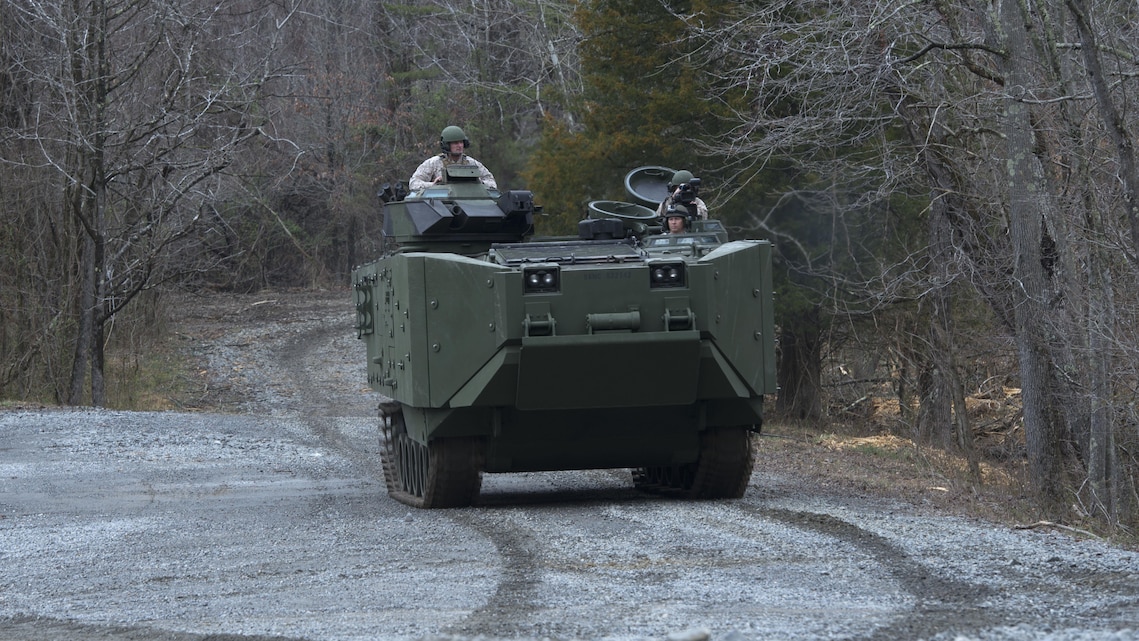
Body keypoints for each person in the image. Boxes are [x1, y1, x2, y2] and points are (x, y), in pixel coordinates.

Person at [408, 125, 498, 190]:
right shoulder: (433, 163)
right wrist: (434, 185)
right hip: (440, 205)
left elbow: (492, 183)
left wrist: (479, 182)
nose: (459, 146)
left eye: (461, 142)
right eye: (455, 143)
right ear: (447, 145)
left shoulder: (472, 163)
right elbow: (413, 183)